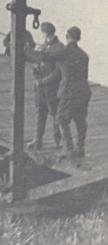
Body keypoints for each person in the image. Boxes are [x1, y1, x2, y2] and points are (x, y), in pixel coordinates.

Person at [26, 26, 92, 158]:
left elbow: (46, 56)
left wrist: (27, 50)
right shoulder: (84, 55)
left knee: (61, 118)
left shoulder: (65, 52)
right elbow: (74, 73)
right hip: (84, 90)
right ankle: (80, 148)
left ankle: (69, 149)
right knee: (80, 120)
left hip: (69, 90)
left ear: (67, 36)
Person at [24, 22, 64, 150]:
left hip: (52, 87)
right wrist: (35, 69)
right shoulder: (43, 46)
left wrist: (43, 81)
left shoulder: (59, 48)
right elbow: (38, 60)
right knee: (40, 113)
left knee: (54, 114)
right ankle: (38, 140)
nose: (46, 37)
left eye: (47, 35)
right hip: (40, 88)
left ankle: (58, 141)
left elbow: (58, 72)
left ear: (51, 34)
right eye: (45, 35)